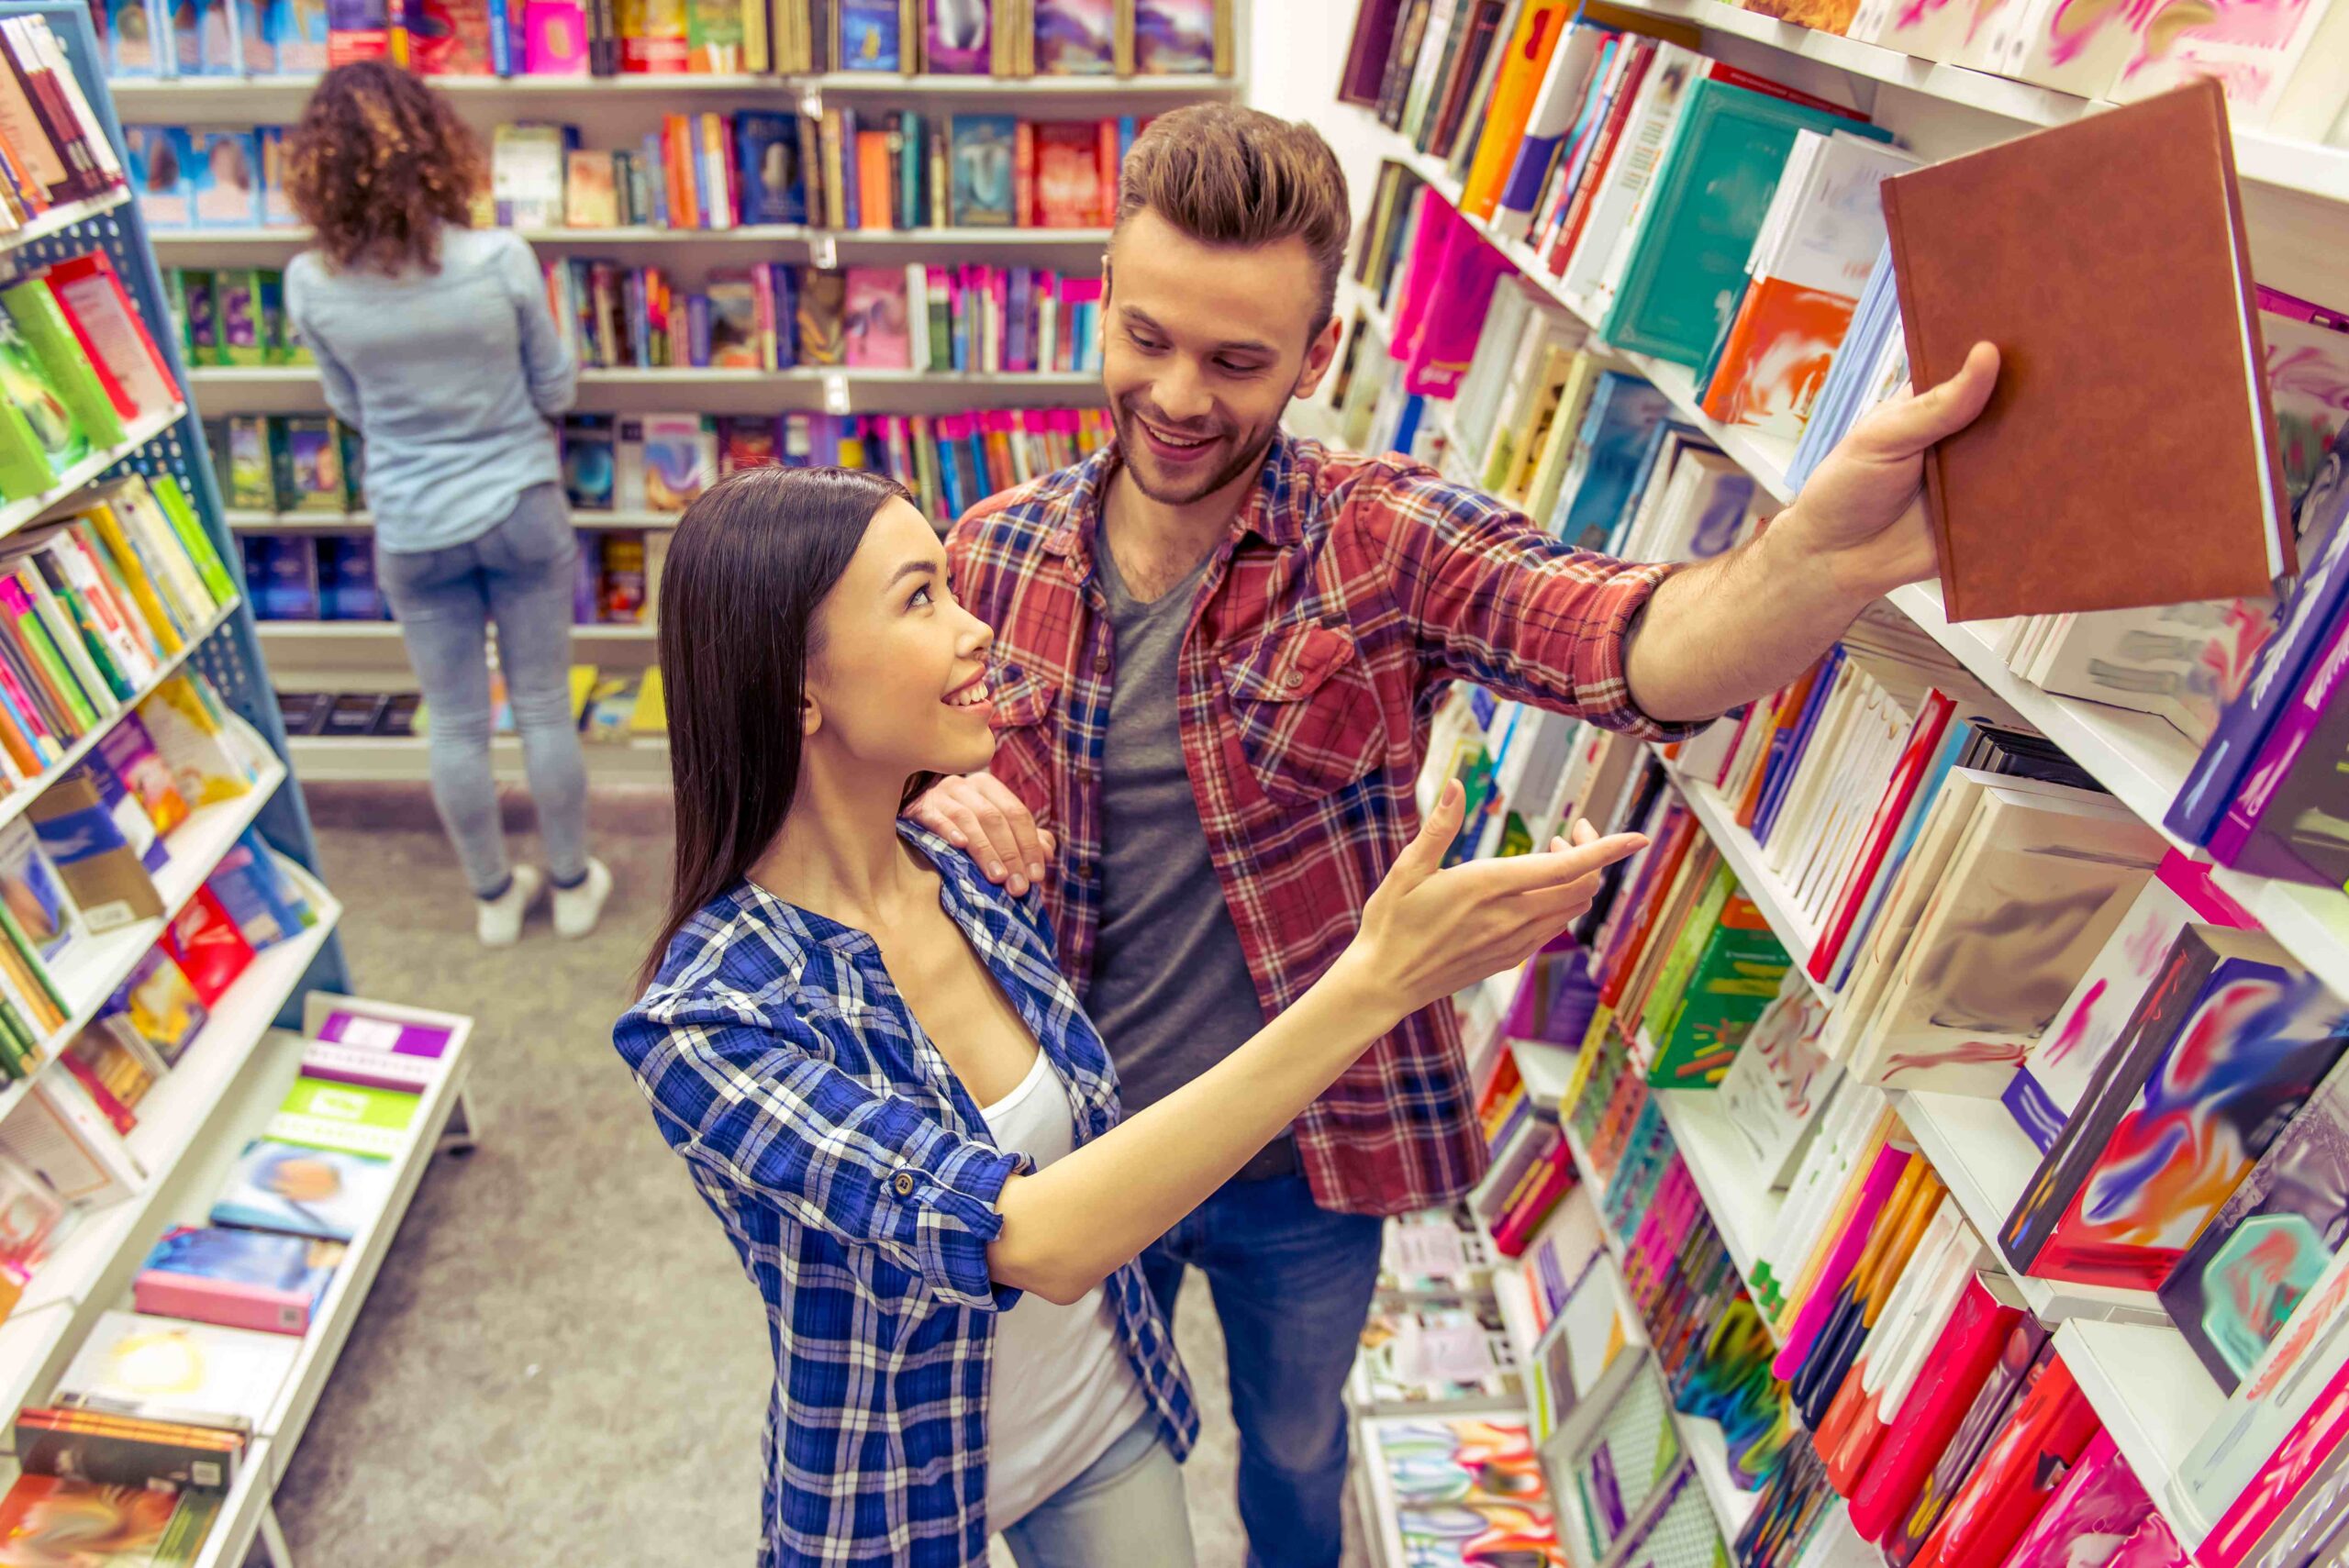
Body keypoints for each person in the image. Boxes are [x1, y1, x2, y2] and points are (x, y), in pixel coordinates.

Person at [915, 103, 2000, 1568]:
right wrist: (926, 802)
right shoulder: (985, 553)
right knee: (1080, 1472)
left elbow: (1629, 644)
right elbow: (860, 809)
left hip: (1310, 1159)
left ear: (1316, 358)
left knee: (1294, 1461)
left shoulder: (1378, 538)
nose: (1176, 395)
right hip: (1075, 1146)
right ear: (1106, 302)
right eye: (1146, 336)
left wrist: (1815, 556)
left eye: (1237, 361)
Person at [611, 464, 1646, 1568]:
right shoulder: (709, 1022)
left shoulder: (967, 877)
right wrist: (1375, 979)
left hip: (1101, 1422)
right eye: (920, 599)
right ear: (793, 687)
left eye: (956, 589)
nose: (977, 633)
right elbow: (1032, 1239)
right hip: (890, 1497)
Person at [280, 61, 610, 948]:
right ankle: (575, 884)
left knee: (457, 720)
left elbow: (348, 408)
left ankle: (494, 895)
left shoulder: (310, 283)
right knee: (543, 703)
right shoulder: (499, 258)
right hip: (518, 502)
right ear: (436, 146)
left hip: (412, 523)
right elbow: (558, 383)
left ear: (317, 168)